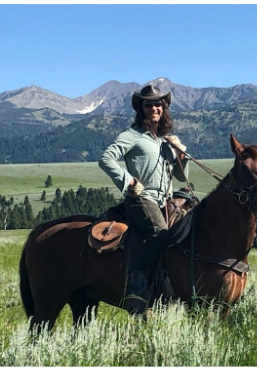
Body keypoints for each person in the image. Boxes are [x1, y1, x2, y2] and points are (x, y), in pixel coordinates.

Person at [99, 84, 189, 313]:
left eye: (159, 103)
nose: (154, 107)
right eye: (149, 104)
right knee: (160, 236)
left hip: (165, 200)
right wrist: (129, 181)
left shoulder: (164, 141)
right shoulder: (132, 136)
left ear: (164, 107)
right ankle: (138, 295)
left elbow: (179, 176)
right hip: (141, 198)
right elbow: (106, 159)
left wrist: (181, 156)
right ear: (141, 108)